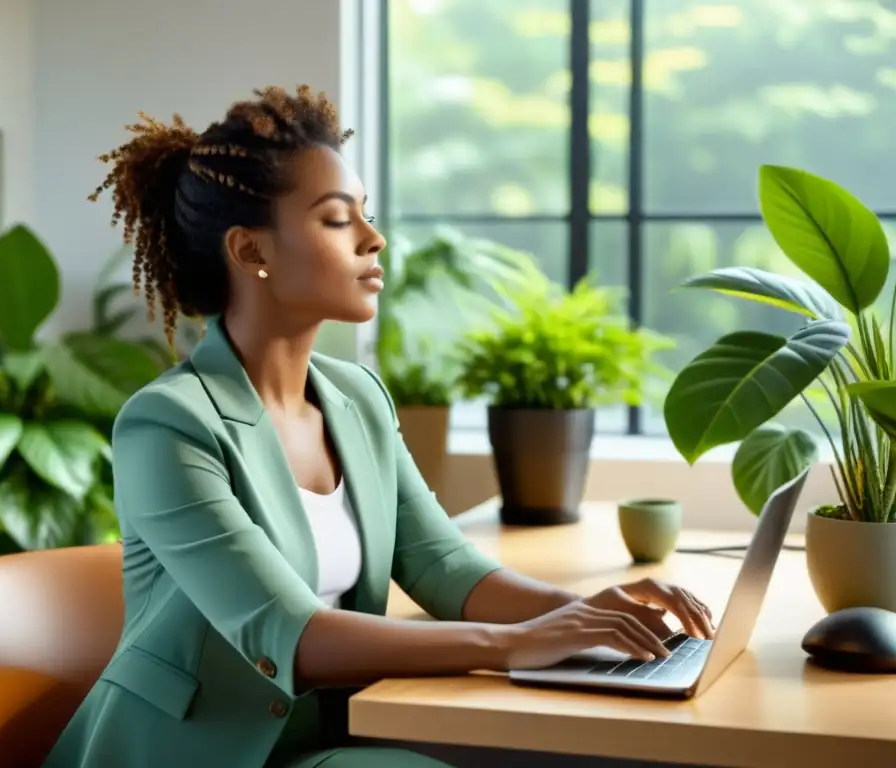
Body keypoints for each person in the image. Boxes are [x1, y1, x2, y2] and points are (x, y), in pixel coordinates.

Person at [43, 85, 715, 768]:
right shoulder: (168, 427)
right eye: (338, 219)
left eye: (365, 212)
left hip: (326, 743)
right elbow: (291, 635)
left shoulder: (357, 398)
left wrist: (585, 616)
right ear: (250, 252)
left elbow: (443, 567)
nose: (375, 237)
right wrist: (519, 642)